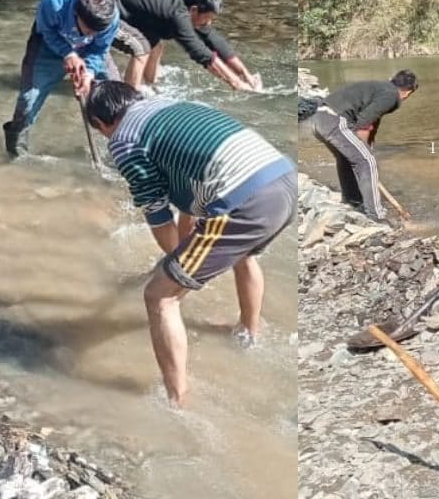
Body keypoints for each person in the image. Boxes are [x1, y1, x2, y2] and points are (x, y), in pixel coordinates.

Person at [86, 81, 295, 406]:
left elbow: (156, 213)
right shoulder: (167, 106)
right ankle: (248, 335)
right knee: (243, 256)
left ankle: (177, 401)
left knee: (159, 296)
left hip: (245, 201)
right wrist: (186, 261)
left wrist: (176, 271)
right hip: (281, 179)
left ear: (101, 124)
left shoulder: (124, 141)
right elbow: (188, 201)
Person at [2, 0, 118, 157]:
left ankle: (121, 148)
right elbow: (46, 30)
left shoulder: (110, 17)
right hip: (50, 42)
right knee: (28, 98)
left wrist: (89, 72)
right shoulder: (54, 1)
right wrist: (69, 54)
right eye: (88, 31)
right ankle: (17, 154)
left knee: (116, 95)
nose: (92, 35)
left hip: (91, 51)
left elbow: (100, 47)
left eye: (97, 32)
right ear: (76, 14)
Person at [104, 0, 261, 92]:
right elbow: (201, 53)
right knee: (141, 48)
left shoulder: (188, 11)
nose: (209, 23)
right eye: (208, 18)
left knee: (156, 44)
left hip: (126, 9)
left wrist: (244, 73)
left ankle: (150, 85)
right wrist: (234, 82)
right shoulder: (177, 15)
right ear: (194, 10)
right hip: (106, 9)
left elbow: (215, 41)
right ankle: (130, 97)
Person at [311, 70, 418, 222]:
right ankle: (376, 215)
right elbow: (363, 124)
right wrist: (366, 153)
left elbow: (372, 122)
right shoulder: (391, 95)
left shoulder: (382, 89)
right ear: (407, 92)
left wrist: (367, 146)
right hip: (334, 121)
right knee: (367, 161)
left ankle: (352, 202)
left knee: (348, 159)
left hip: (319, 120)